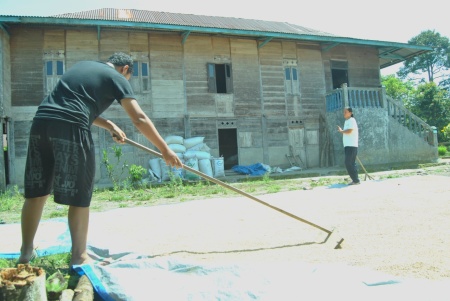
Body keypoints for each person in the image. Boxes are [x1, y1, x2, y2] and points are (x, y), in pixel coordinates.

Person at [18, 52, 182, 267]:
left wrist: (111, 126)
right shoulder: (117, 77)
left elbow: (73, 105)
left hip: (41, 122)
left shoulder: (81, 66)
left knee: (37, 192)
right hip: (71, 127)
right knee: (80, 194)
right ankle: (79, 256)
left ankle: (25, 253)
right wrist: (165, 150)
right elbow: (139, 118)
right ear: (125, 69)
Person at [337, 107, 360, 185]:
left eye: (345, 112)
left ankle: (356, 180)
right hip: (347, 145)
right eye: (344, 112)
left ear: (350, 113)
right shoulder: (347, 121)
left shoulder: (352, 120)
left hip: (351, 145)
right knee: (351, 163)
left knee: (348, 163)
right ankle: (355, 180)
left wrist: (341, 131)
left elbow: (350, 131)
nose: (344, 113)